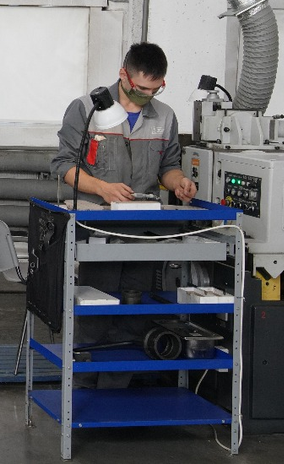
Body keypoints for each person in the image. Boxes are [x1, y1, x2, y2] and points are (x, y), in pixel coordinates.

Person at [49, 41, 197, 388]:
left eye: (155, 89)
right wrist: (102, 188)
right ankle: (83, 390)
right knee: (96, 310)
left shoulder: (165, 116)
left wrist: (179, 183)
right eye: (140, 88)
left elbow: (168, 166)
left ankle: (117, 390)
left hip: (144, 230)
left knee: (136, 310)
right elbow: (63, 165)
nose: (147, 95)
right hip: (98, 228)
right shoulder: (85, 110)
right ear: (123, 75)